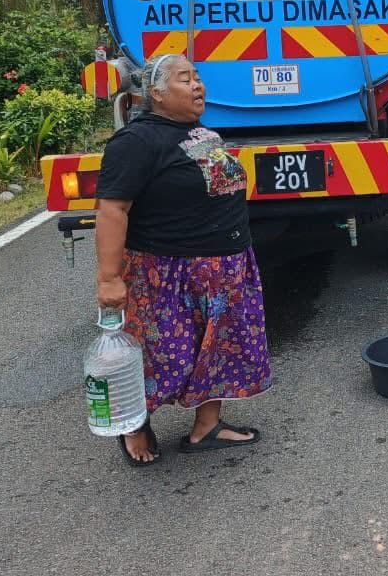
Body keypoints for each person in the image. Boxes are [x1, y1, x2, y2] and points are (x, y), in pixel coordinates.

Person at [94, 53, 272, 466]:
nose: (197, 85)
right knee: (163, 353)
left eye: (197, 77)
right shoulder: (136, 142)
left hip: (224, 267)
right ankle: (134, 423)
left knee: (220, 350)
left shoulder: (197, 131)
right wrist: (109, 278)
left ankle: (207, 427)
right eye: (184, 79)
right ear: (155, 93)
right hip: (169, 271)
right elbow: (112, 210)